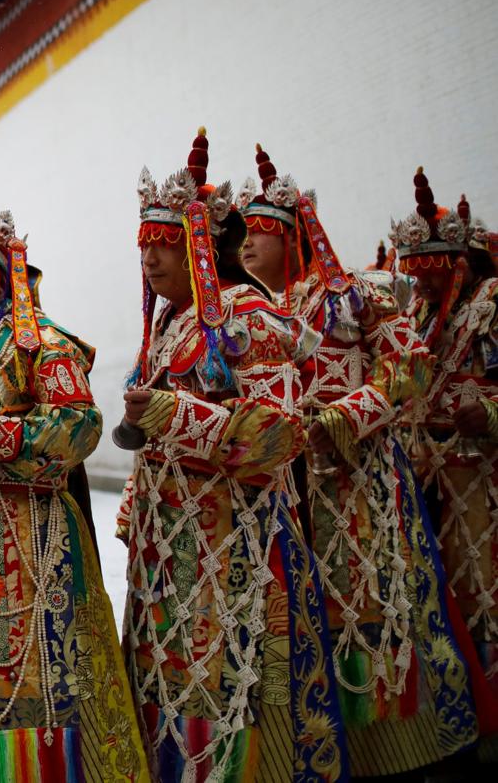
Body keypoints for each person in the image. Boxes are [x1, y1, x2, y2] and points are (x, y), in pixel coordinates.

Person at [116, 128, 347, 780]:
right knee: (169, 681)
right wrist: (136, 503)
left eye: (164, 248)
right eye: (146, 250)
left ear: (203, 247)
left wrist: (175, 415)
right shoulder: (173, 328)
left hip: (239, 542)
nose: (151, 264)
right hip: (171, 544)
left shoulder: (251, 317)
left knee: (238, 681)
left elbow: (277, 434)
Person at [238, 146, 477, 776]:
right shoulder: (252, 316)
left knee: (368, 605)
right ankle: (317, 743)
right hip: (290, 492)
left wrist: (347, 415)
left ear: (292, 235)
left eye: (259, 234)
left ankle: (397, 746)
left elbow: (410, 366)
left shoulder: (354, 295)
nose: (247, 247)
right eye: (243, 237)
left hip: (358, 482)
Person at [0, 162, 150, 780]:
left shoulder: (41, 345)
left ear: (1, 278)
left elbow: (77, 427)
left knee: (32, 683)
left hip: (26, 540)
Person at [393, 170, 498, 763]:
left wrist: (485, 411)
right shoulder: (414, 319)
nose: (422, 290)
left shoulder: (491, 308)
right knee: (435, 599)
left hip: (480, 479)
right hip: (422, 476)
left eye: (431, 277)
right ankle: (449, 725)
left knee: (480, 593)